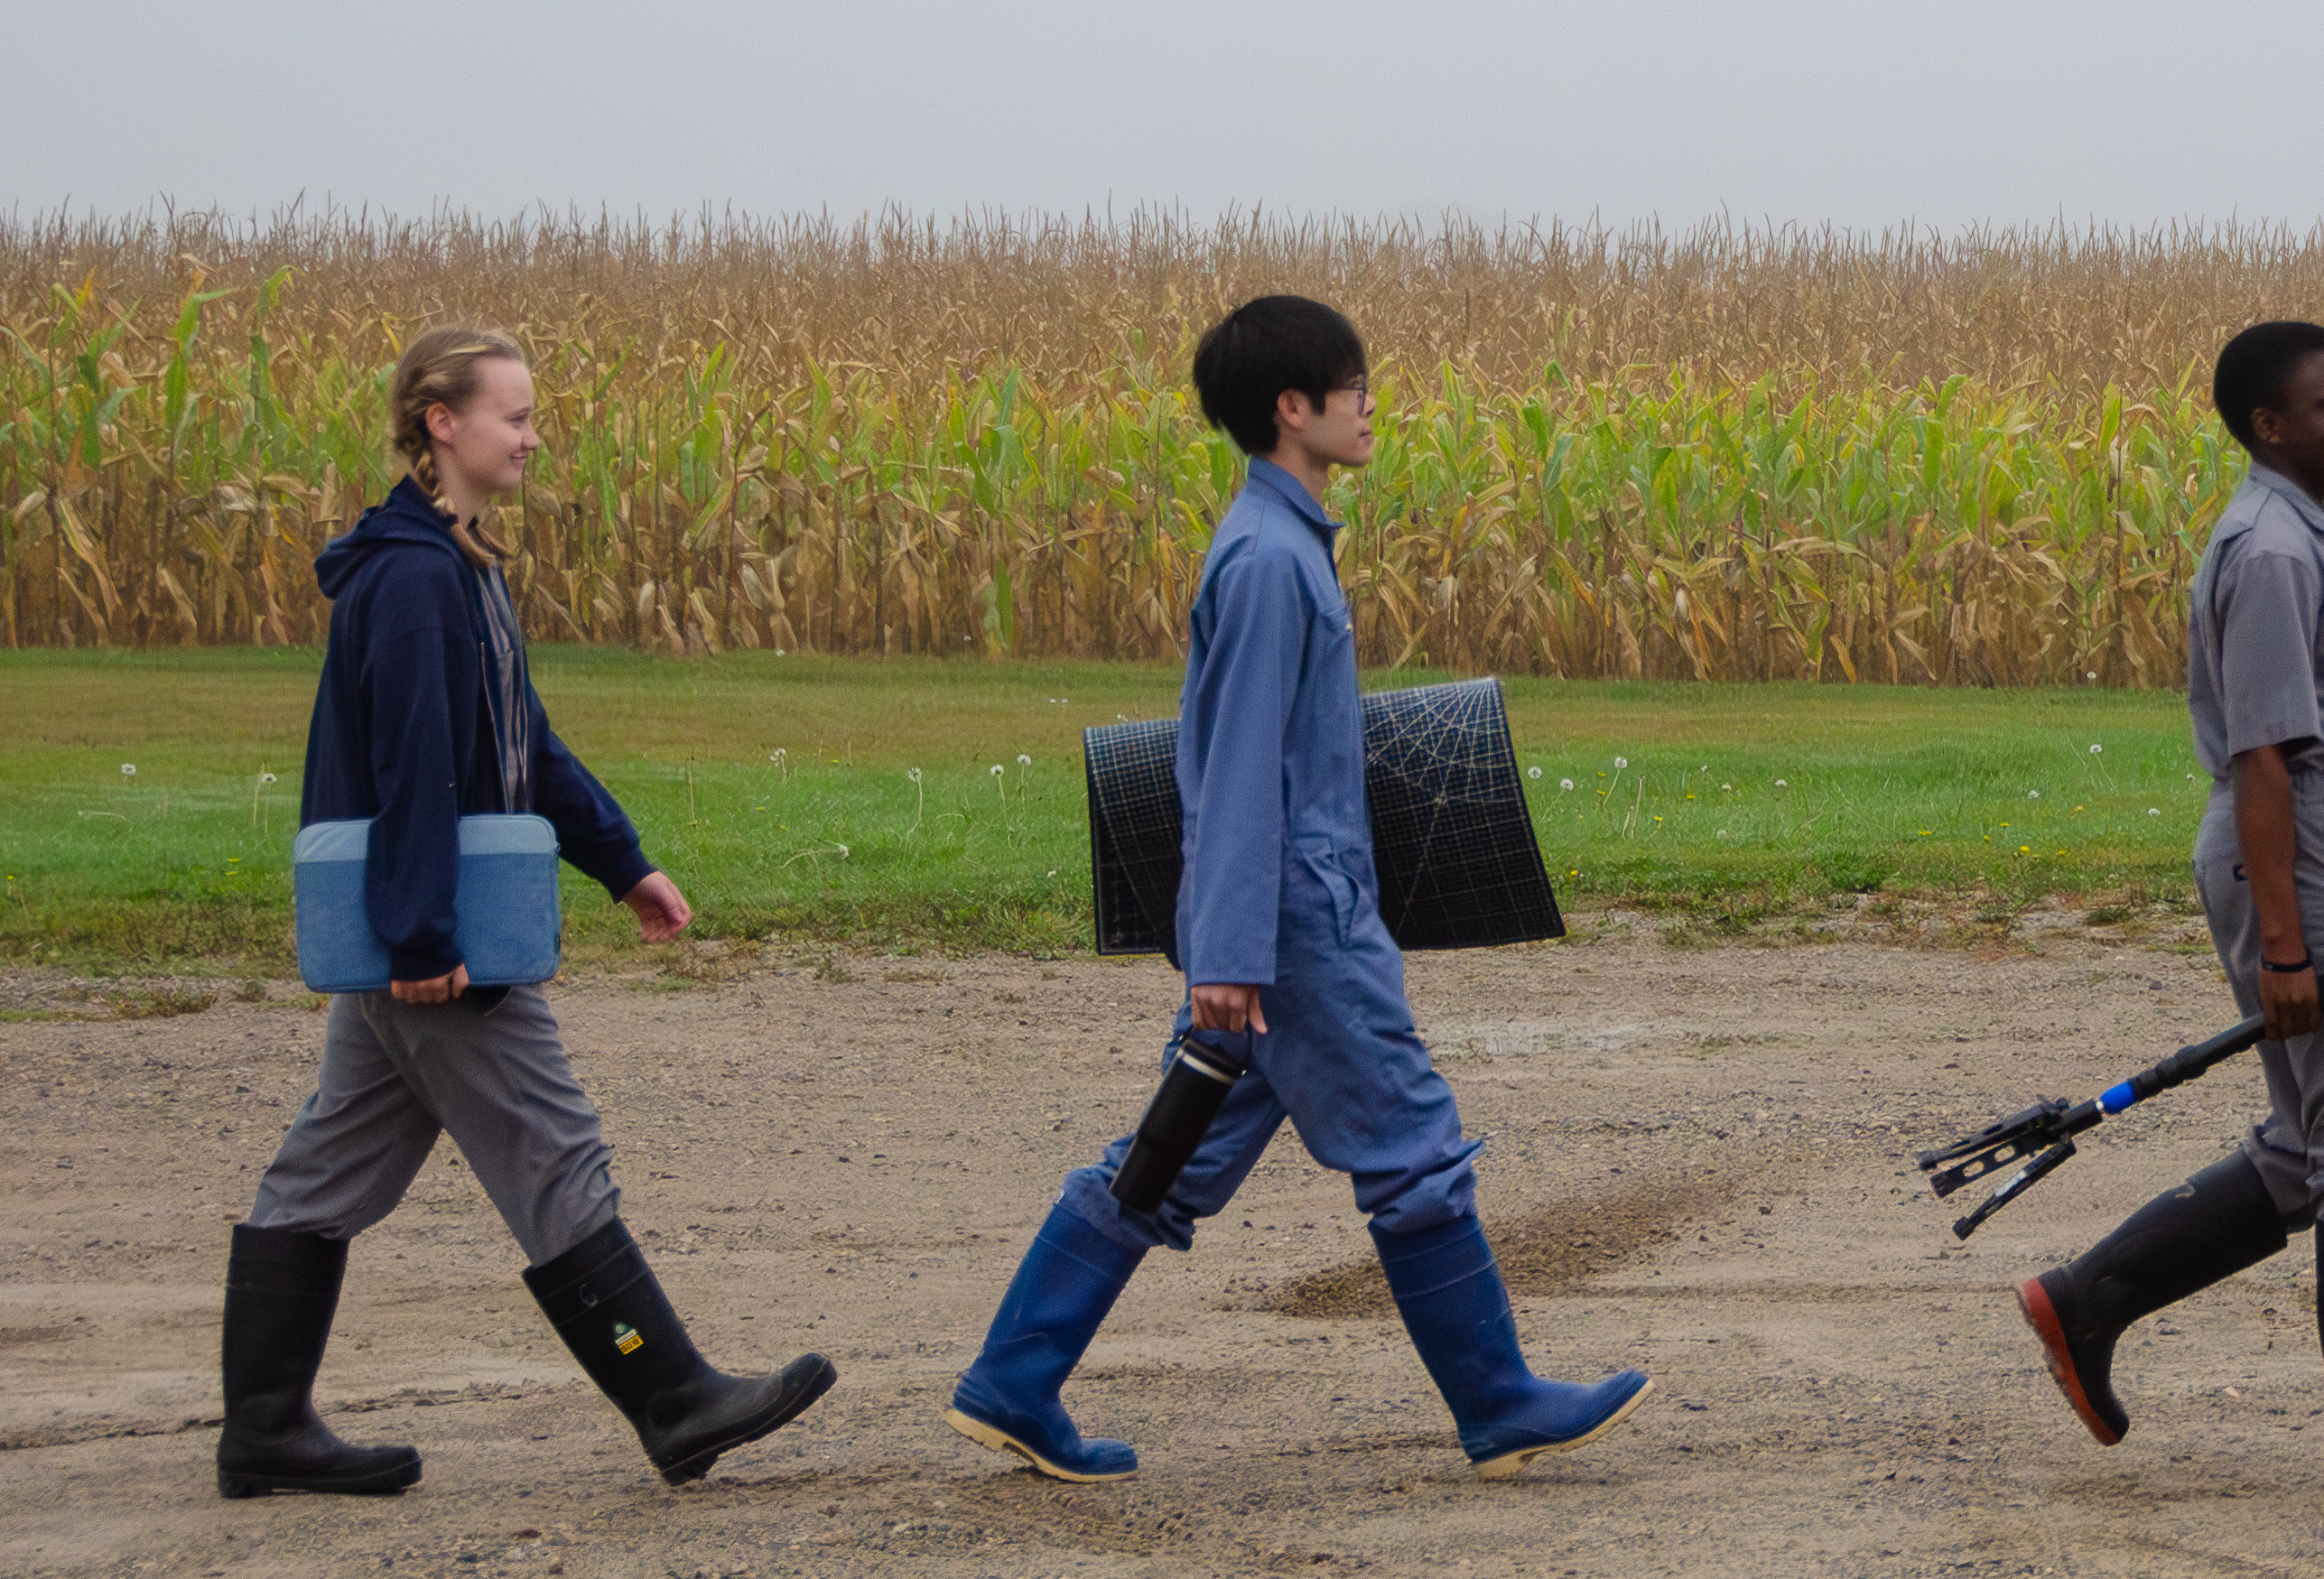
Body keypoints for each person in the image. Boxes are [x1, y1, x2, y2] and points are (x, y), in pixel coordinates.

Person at [944, 294, 1651, 1482]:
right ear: (1293, 407)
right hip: (1295, 925)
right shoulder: (1271, 562)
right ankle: (1497, 1401)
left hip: (1274, 918)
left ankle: (1014, 1378)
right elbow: (1232, 774)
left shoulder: (1276, 544)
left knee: (1170, 1157)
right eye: (1352, 385)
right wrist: (1225, 955)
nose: (1370, 404)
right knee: (1412, 1148)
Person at [218, 327, 836, 1500]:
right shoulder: (411, 582)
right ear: (441, 422)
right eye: (512, 414)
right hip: (439, 940)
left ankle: (262, 1429)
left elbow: (522, 747)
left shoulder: (459, 567)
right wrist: (419, 938)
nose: (531, 435)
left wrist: (623, 863)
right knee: (552, 1150)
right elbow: (411, 768)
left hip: (425, 930)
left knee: (325, 1170)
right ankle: (672, 1397)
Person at [2013, 322, 2324, 1493]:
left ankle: (2086, 1298)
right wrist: (2289, 948)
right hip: (2301, 856)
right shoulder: (2274, 554)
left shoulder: (2299, 531)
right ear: (2268, 425)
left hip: (2314, 850)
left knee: (2313, 1144)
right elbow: (2260, 758)